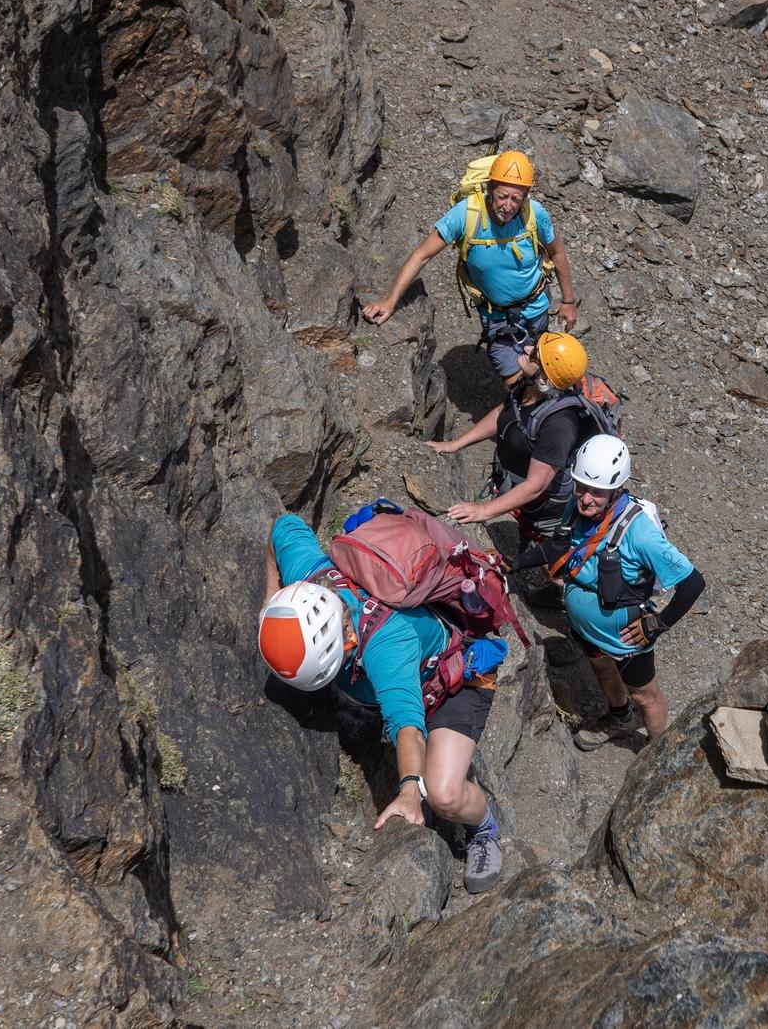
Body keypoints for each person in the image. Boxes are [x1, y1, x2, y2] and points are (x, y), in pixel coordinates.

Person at [259, 513, 506, 893]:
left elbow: (408, 727)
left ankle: (484, 830)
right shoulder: (309, 576)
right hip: (403, 673)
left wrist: (410, 791)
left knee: (443, 794)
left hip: (451, 684)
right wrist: (272, 594)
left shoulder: (386, 649)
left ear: (344, 639)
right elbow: (283, 526)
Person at [510, 436, 705, 748]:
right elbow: (560, 546)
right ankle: (620, 717)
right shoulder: (576, 508)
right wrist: (513, 566)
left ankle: (656, 758)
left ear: (616, 488)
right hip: (588, 625)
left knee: (645, 694)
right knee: (601, 667)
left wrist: (656, 625)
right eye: (580, 487)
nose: (586, 498)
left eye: (597, 492)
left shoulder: (641, 533)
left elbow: (693, 583)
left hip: (625, 634)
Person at [361, 150, 580, 387]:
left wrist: (568, 301)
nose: (508, 206)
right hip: (496, 315)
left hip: (536, 307)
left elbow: (557, 253)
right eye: (502, 196)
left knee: (541, 375)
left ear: (525, 197)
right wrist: (391, 300)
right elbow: (422, 255)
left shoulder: (534, 214)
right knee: (516, 384)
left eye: (516, 199)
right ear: (490, 189)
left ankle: (536, 416)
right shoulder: (466, 214)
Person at [428, 331, 589, 540]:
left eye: (535, 355)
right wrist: (455, 444)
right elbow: (503, 413)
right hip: (510, 487)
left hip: (540, 510)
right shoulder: (527, 386)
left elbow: (535, 485)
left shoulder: (560, 425)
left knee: (534, 550)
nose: (527, 348)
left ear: (544, 376)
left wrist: (483, 511)